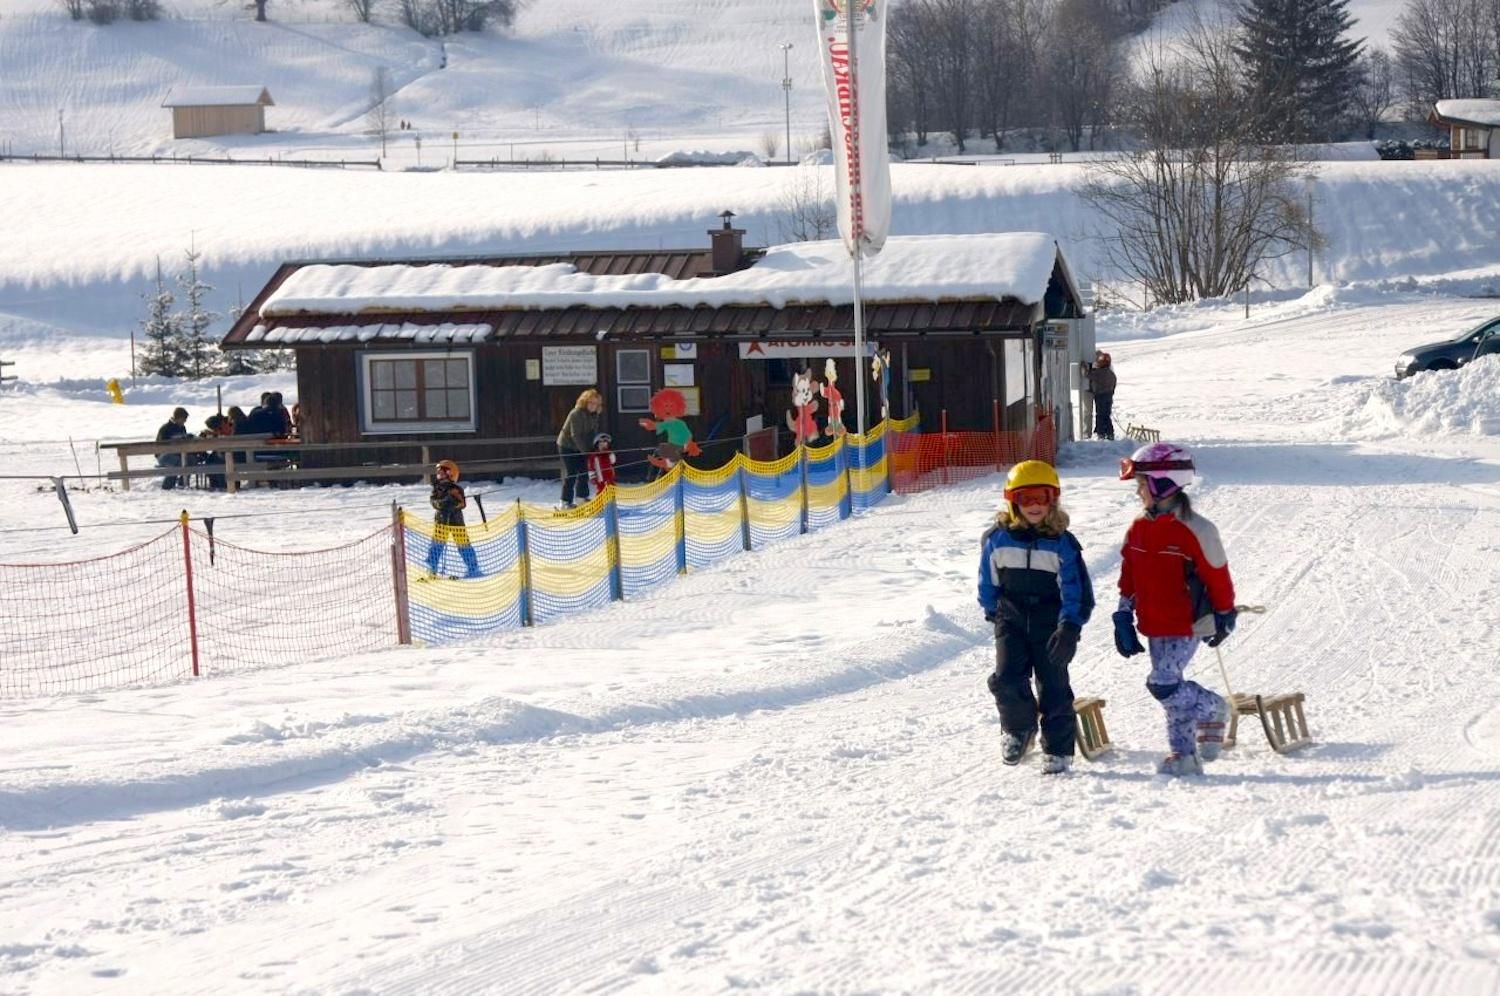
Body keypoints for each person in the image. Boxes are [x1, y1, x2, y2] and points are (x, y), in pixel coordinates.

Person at [1113, 442, 1237, 776]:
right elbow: (1129, 574)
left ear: (1162, 484)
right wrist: (1123, 612)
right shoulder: (1138, 527)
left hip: (1188, 622)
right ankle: (1184, 755)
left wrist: (1225, 613)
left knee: (1163, 683)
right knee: (1172, 686)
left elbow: (1217, 573)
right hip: (1153, 622)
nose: (1138, 493)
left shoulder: (1196, 530)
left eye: (1141, 485)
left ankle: (1214, 707)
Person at [978, 460, 1095, 774]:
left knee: (1053, 683)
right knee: (1006, 678)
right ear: (1012, 501)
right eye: (1025, 498)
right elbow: (987, 579)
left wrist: (1070, 627)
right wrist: (992, 611)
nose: (1034, 506)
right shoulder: (997, 540)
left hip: (1051, 622)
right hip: (1011, 619)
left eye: (1041, 497)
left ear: (1053, 499)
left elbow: (1077, 590)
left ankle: (1058, 748)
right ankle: (1018, 730)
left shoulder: (1062, 543)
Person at [422, 459, 482, 580]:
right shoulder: (436, 488)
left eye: (442, 473)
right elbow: (433, 502)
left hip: (456, 522)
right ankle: (431, 568)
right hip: (441, 521)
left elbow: (462, 503)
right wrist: (441, 503)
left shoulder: (456, 489)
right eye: (438, 473)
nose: (439, 475)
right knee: (436, 545)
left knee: (463, 545)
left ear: (450, 473)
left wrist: (453, 503)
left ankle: (473, 568)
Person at [555, 388, 602, 509]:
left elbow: (592, 433)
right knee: (571, 473)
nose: (593, 406)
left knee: (584, 472)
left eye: (596, 403)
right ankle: (565, 502)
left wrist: (593, 448)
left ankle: (582, 497)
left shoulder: (594, 415)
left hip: (582, 447)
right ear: (585, 402)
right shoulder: (576, 413)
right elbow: (575, 435)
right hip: (567, 446)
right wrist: (585, 452)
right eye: (591, 402)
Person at [155, 407, 190, 490]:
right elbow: (160, 446)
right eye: (183, 419)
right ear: (178, 418)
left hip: (179, 454)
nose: (184, 422)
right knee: (177, 463)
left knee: (190, 460)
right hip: (163, 455)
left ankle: (183, 483)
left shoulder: (182, 428)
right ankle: (167, 486)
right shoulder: (165, 429)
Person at [1086, 351, 1117, 440]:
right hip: (1109, 396)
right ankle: (1110, 433)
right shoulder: (1111, 373)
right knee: (1107, 415)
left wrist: (1084, 367)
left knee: (1100, 415)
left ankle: (1101, 433)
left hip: (1100, 396)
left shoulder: (1099, 373)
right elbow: (1114, 385)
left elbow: (1088, 375)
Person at [198, 413, 233, 490]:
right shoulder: (223, 426)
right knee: (209, 460)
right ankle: (214, 484)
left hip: (228, 452)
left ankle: (221, 485)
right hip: (221, 452)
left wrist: (214, 434)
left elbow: (226, 436)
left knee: (216, 463)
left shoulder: (227, 426)